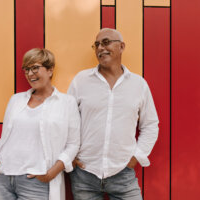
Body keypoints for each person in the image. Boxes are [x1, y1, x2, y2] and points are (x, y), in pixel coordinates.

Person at [68, 28, 159, 200]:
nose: (100, 48)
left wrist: (137, 156)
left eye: (106, 42)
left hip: (122, 173)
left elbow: (150, 124)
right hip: (85, 173)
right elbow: (66, 121)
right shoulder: (81, 80)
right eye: (97, 45)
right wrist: (69, 156)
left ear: (122, 47)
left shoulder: (138, 84)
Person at [0, 48, 80, 200]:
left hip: (36, 180)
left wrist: (52, 173)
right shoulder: (16, 100)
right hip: (4, 176)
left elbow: (73, 144)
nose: (29, 74)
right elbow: (9, 137)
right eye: (26, 69)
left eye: (35, 68)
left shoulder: (67, 103)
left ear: (50, 70)